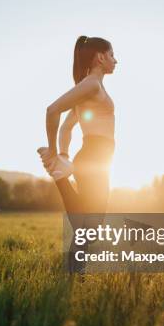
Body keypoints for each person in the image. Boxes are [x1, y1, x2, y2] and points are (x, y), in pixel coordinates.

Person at [37, 35, 117, 272]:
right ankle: (60, 177)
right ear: (100, 57)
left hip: (94, 158)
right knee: (90, 227)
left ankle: (73, 275)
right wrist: (54, 152)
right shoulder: (91, 84)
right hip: (94, 158)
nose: (116, 60)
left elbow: (67, 126)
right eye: (112, 54)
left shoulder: (93, 87)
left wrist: (64, 154)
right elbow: (53, 110)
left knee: (86, 225)